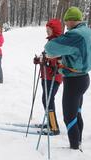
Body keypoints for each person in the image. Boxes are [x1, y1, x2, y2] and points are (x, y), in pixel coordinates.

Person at [45, 7, 91, 150]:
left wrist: (56, 54)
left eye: (66, 22)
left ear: (71, 20)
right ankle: (78, 142)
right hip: (83, 77)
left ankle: (74, 149)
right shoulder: (87, 31)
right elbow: (76, 51)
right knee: (77, 112)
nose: (65, 25)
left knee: (69, 117)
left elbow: (50, 48)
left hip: (74, 81)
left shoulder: (75, 35)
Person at [34, 19, 63, 135]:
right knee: (46, 100)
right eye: (46, 29)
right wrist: (39, 60)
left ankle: (54, 127)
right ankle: (51, 123)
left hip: (53, 77)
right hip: (46, 76)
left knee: (48, 100)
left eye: (49, 29)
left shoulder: (58, 42)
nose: (47, 31)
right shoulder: (51, 41)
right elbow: (45, 56)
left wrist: (47, 62)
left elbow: (58, 59)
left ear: (54, 30)